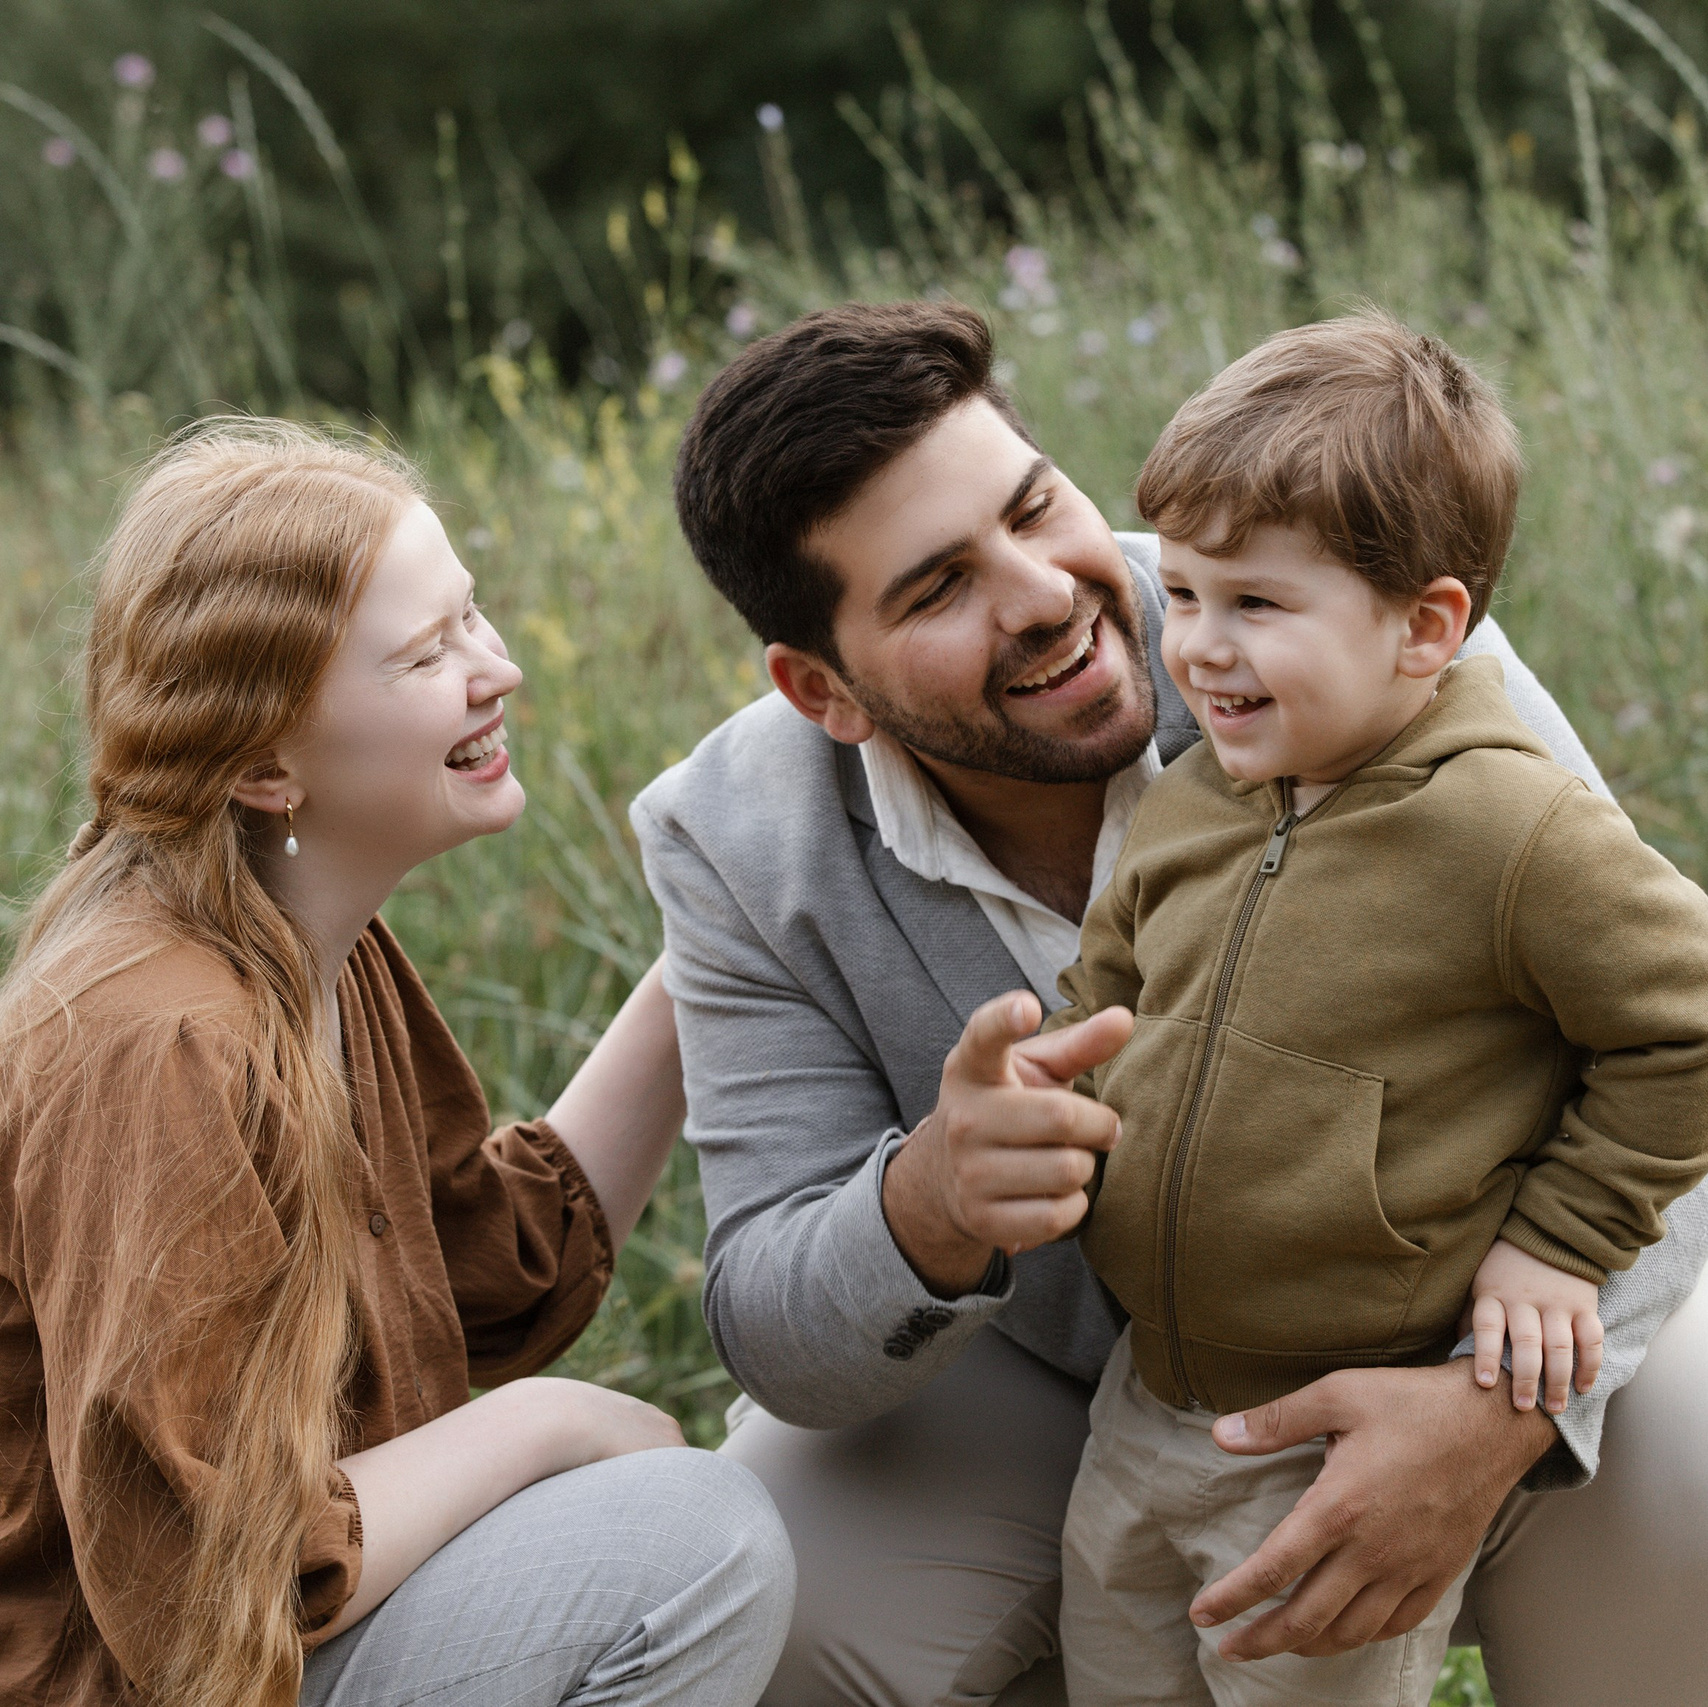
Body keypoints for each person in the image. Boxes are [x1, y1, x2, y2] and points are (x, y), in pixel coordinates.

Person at [631, 300, 1708, 1707]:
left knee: (1692, 1451)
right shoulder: (733, 833)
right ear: (821, 687)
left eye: (1033, 505)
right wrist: (930, 1206)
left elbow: (1659, 1044)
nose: (1040, 593)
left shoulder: (1333, 616)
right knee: (777, 1584)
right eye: (936, 588)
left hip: (1438, 1323)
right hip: (1067, 1370)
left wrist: (1491, 1407)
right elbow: (771, 1313)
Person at [0, 423, 794, 1707]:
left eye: (470, 618)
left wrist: (718, 937)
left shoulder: (314, 943)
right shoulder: (156, 1039)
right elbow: (209, 1584)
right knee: (693, 1542)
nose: (501, 669)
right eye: (428, 654)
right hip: (159, 1680)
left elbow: (489, 1274)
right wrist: (548, 1425)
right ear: (265, 765)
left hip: (273, 1648)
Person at [1046, 310, 1708, 1707]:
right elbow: (1105, 992)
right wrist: (1041, 1095)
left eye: (1258, 605)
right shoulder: (1189, 800)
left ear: (1428, 625)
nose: (1200, 649)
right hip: (1146, 1402)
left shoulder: (1511, 824)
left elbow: (1688, 1023)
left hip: (1344, 1427)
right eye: (1188, 595)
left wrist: (1556, 1244)